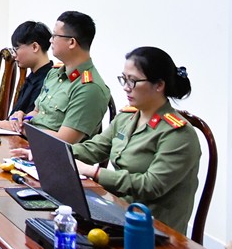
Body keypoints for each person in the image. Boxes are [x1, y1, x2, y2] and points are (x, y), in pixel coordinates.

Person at [12, 47, 200, 234]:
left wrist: (93, 171)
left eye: (133, 81)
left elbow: (150, 185)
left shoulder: (178, 134)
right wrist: (48, 153)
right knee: (45, 223)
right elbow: (95, 148)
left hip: (151, 229)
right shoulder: (127, 118)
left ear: (159, 85)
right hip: (117, 210)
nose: (126, 87)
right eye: (124, 79)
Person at [14, 11, 109, 143]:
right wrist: (22, 118)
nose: (50, 40)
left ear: (71, 42)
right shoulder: (54, 74)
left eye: (55, 36)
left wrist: (24, 129)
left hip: (50, 152)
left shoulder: (89, 88)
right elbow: (37, 112)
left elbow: (63, 141)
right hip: (29, 143)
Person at [5, 21, 54, 117]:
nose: (14, 55)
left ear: (35, 47)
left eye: (16, 48)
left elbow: (28, 121)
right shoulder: (33, 76)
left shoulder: (48, 81)